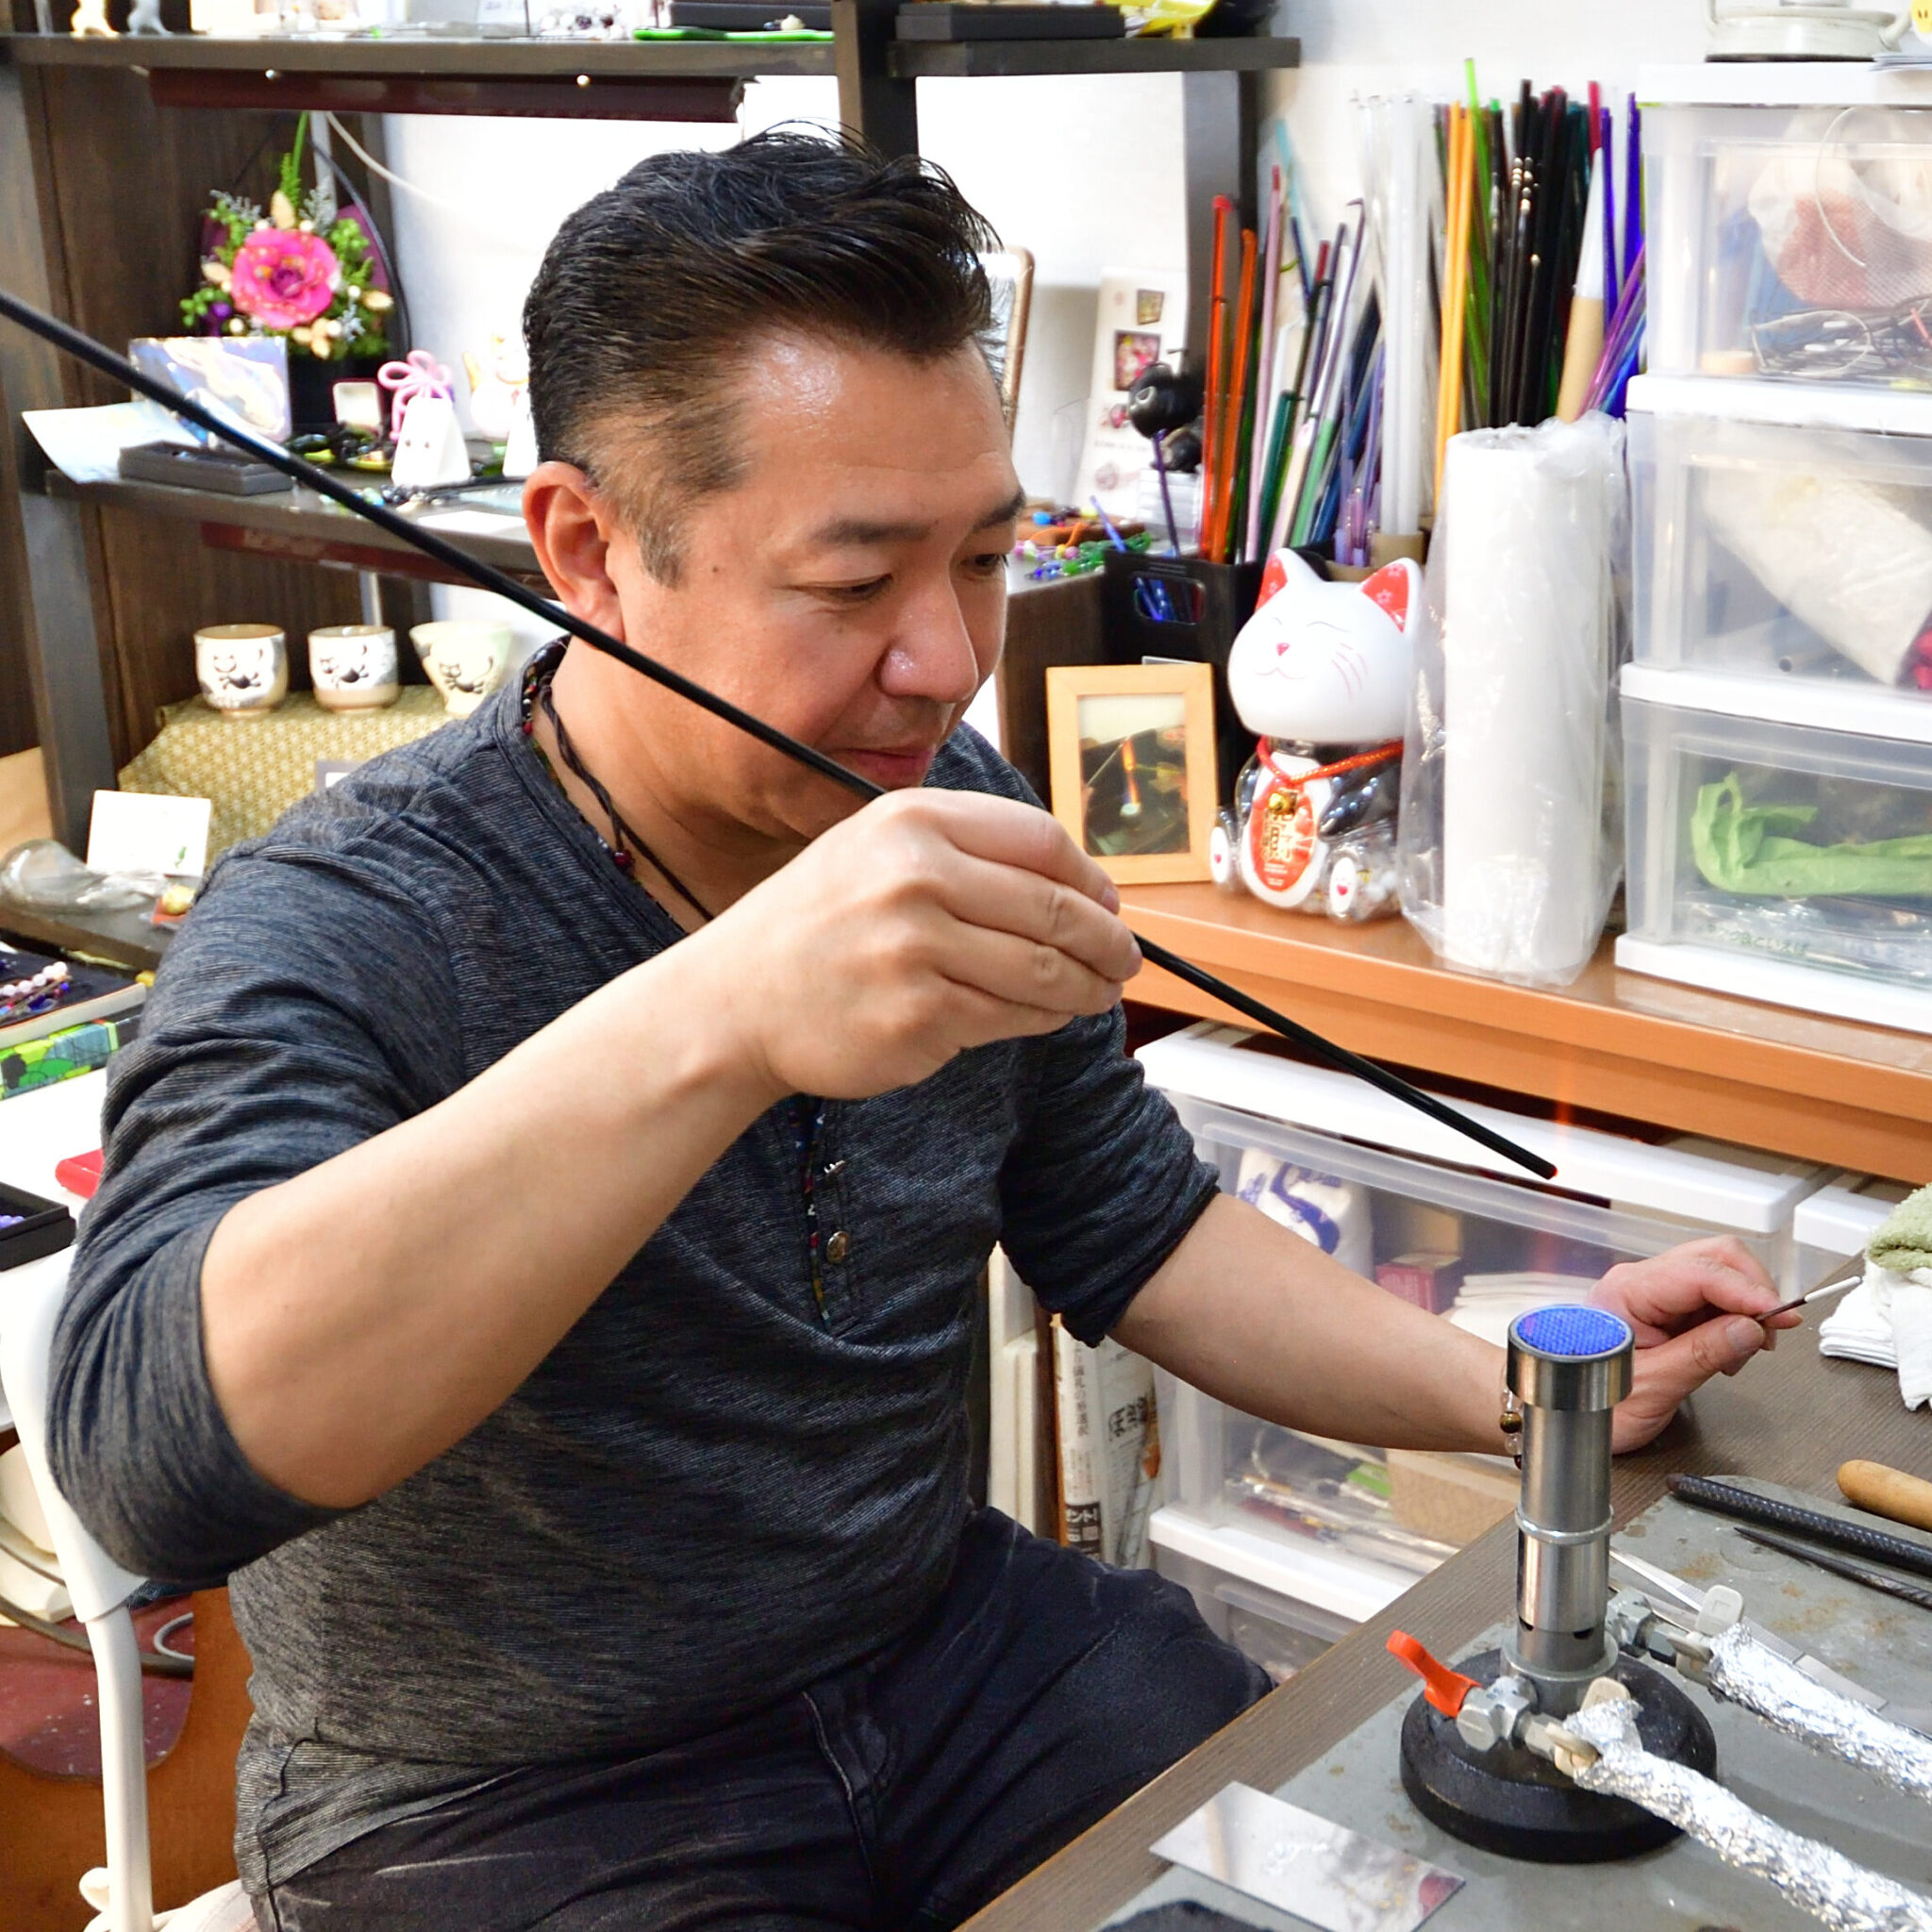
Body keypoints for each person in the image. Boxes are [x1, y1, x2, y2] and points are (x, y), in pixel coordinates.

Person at [51, 132, 1796, 1932]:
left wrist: (1516, 1397)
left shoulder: (926, 795)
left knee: (1359, 1886)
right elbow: (145, 1457)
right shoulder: (348, 919)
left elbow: (1133, 1225)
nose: (950, 660)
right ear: (588, 549)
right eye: (854, 581)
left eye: (981, 554)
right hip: (509, 1796)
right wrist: (726, 1012)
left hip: (954, 1665)